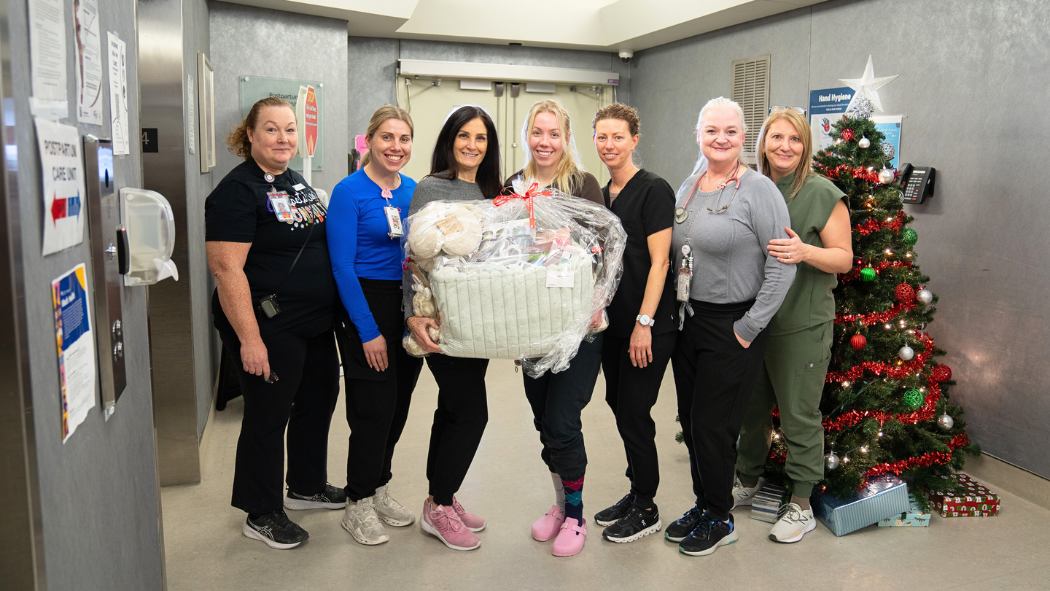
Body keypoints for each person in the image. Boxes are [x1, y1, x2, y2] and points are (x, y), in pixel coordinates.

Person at [205, 97, 342, 550]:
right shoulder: (237, 191)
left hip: (313, 323)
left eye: (289, 129)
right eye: (271, 129)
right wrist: (249, 339)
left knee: (319, 396)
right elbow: (227, 270)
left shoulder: (294, 180)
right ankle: (260, 511)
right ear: (250, 134)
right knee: (269, 413)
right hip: (269, 322)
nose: (283, 139)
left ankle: (305, 485)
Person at [667, 97, 796, 556]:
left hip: (733, 325)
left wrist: (749, 327)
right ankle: (704, 504)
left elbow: (783, 266)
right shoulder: (690, 184)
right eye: (711, 131)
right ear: (698, 135)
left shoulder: (759, 191)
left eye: (731, 131)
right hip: (689, 321)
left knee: (714, 427)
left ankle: (721, 517)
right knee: (690, 419)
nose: (720, 139)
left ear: (744, 137)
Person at [732, 108, 852, 543]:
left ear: (806, 146)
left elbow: (844, 258)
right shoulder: (747, 185)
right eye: (776, 137)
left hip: (801, 325)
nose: (785, 146)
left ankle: (800, 502)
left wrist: (805, 253)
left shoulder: (822, 193)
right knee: (750, 411)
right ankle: (746, 478)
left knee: (800, 416)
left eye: (795, 139)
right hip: (752, 324)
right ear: (762, 142)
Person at [504, 98, 605, 557]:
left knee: (564, 422)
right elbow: (500, 254)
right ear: (527, 135)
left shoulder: (583, 185)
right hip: (533, 326)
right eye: (537, 133)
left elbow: (604, 251)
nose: (545, 142)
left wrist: (569, 242)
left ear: (566, 138)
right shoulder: (514, 185)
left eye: (554, 134)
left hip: (577, 326)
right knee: (544, 421)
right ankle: (561, 505)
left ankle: (578, 516)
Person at [404, 105, 503, 551]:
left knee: (452, 409)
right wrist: (412, 314)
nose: (472, 145)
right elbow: (413, 259)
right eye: (464, 135)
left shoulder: (491, 191)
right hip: (442, 320)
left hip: (477, 319)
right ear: (449, 139)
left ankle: (440, 496)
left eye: (481, 138)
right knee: (471, 413)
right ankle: (440, 505)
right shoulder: (431, 188)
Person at [327, 106, 423, 546]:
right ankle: (357, 501)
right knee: (372, 409)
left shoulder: (414, 191)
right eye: (387, 138)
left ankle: (379, 485)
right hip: (363, 302)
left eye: (404, 139)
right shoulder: (348, 192)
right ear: (369, 141)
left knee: (399, 405)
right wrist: (367, 330)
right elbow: (342, 267)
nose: (396, 147)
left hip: (405, 304)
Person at [589, 104, 677, 544]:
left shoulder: (654, 189)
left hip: (648, 326)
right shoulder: (602, 194)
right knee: (619, 408)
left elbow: (660, 262)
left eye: (618, 137)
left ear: (634, 139)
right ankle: (634, 489)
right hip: (613, 325)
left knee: (635, 413)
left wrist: (645, 322)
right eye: (602, 137)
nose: (609, 145)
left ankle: (647, 505)